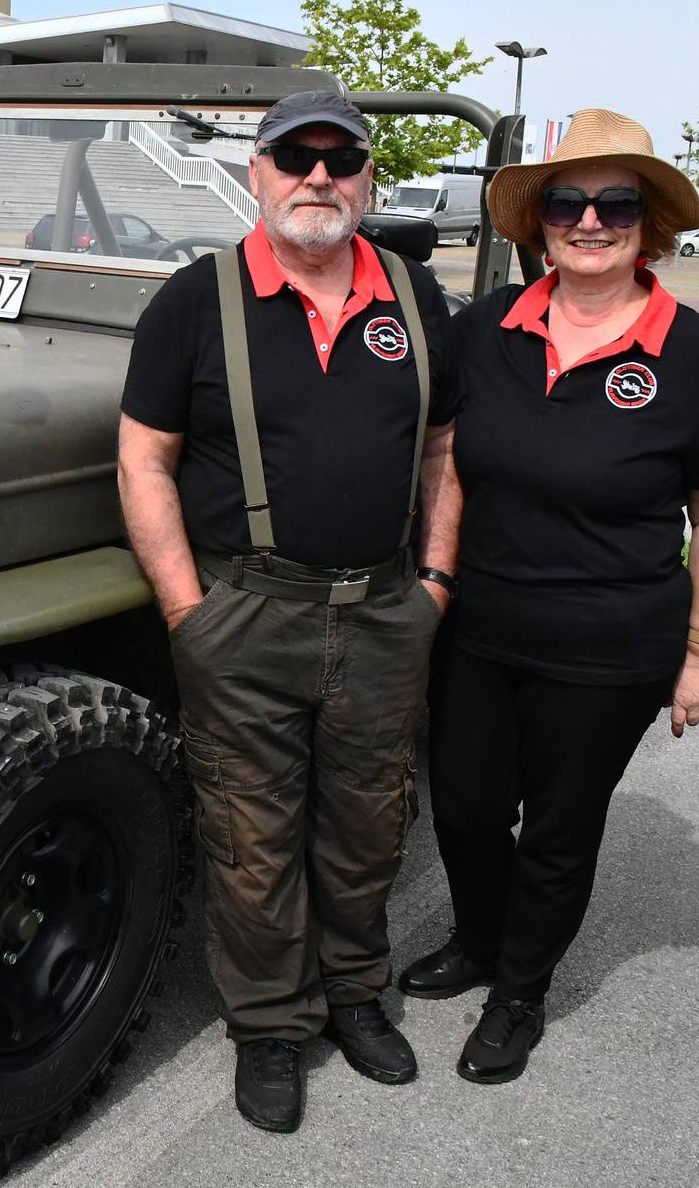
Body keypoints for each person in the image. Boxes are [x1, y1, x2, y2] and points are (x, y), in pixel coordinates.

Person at [118, 91, 461, 1133]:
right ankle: (271, 1023)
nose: (320, 176)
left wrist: (437, 583)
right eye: (296, 157)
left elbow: (445, 452)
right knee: (252, 835)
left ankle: (356, 991)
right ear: (257, 174)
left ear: (367, 178)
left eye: (341, 158)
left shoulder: (414, 297)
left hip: (385, 611)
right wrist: (187, 609)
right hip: (247, 618)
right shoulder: (193, 300)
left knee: (368, 821)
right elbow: (143, 459)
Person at [399, 109, 699, 1084]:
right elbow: (452, 463)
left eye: (615, 202)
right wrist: (435, 581)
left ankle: (519, 990)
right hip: (481, 628)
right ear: (538, 220)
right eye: (567, 200)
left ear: (648, 223)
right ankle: (478, 938)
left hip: (610, 647)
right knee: (466, 809)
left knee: (559, 829)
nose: (589, 219)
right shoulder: (487, 329)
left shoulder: (696, 353)